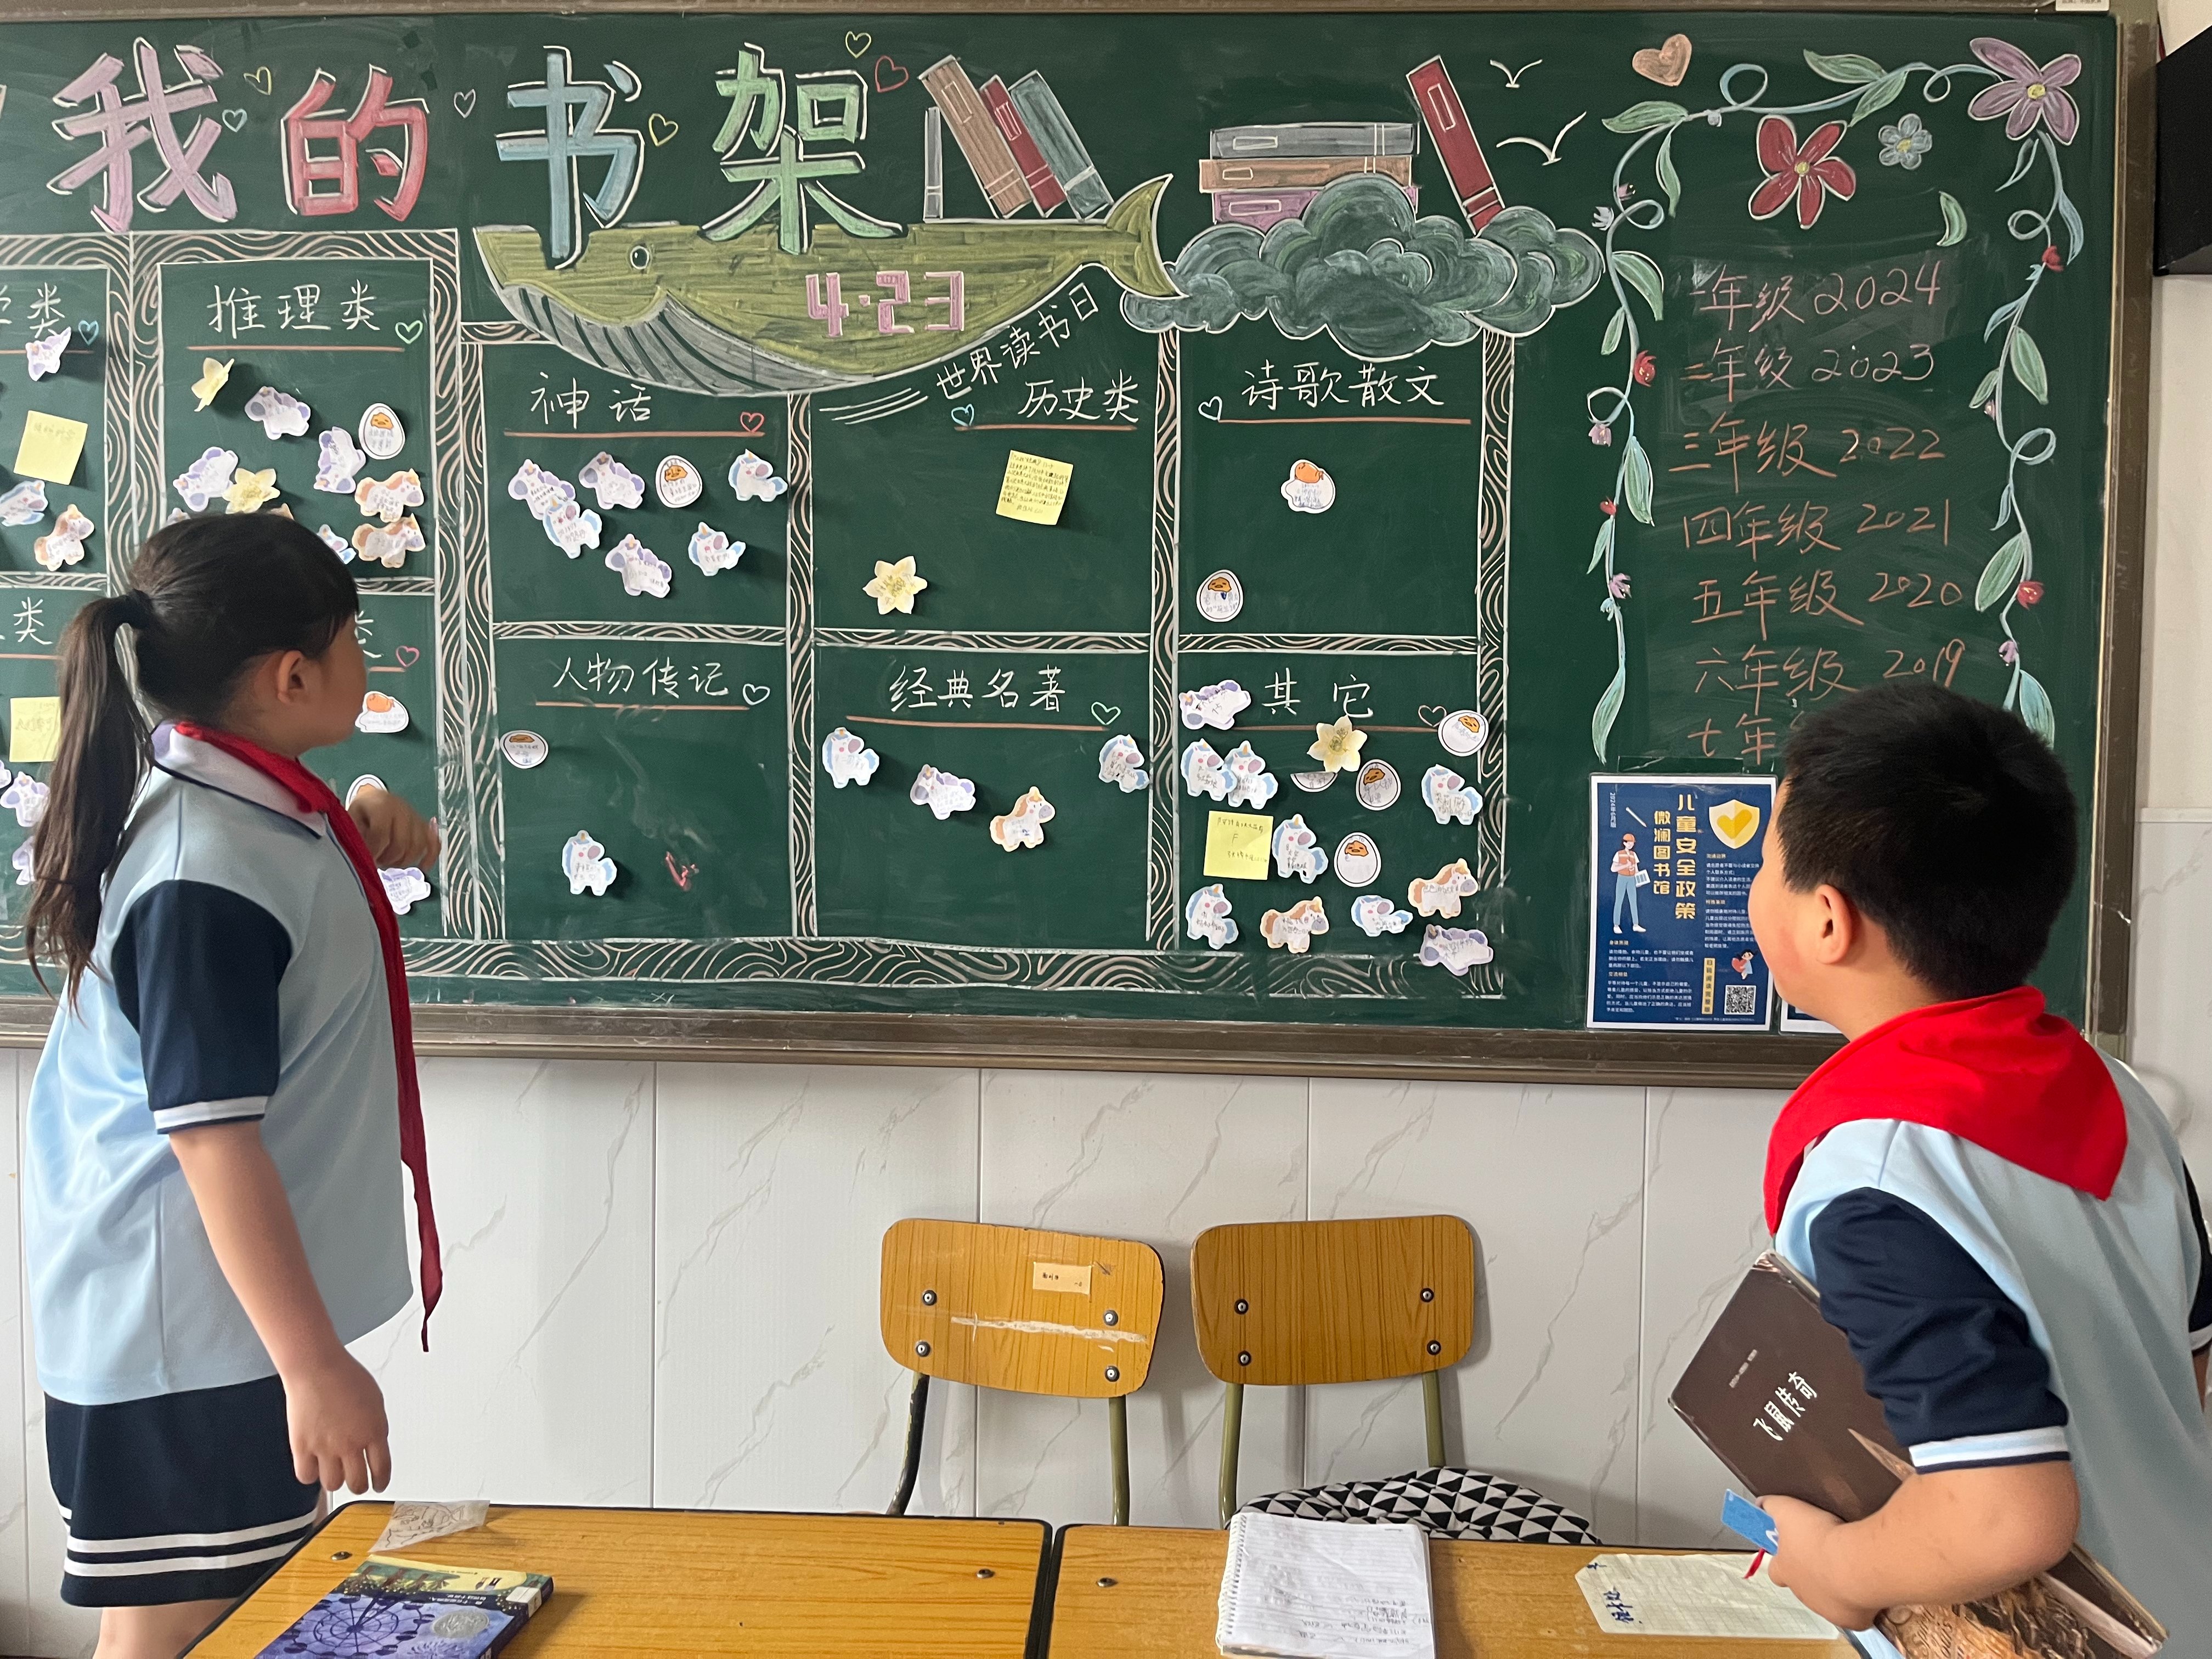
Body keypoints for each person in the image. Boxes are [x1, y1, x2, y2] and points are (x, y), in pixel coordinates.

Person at [21, 517, 444, 1659]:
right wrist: (313, 1364)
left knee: (211, 1621)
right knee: (175, 1630)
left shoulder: (243, 805)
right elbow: (212, 1139)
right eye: (355, 636)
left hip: (208, 1323)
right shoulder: (202, 869)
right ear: (292, 676)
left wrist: (356, 823)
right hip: (187, 1338)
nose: (368, 658)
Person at [1744, 681, 2212, 1645]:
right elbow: (2188, 1367)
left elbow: (2005, 1516)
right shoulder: (2116, 1092)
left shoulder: (1879, 1171)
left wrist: (1834, 1567)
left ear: (1828, 920)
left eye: (1765, 859)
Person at [1611, 831, 1646, 934]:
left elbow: (1636, 869)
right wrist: (1625, 866)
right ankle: (1616, 925)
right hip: (1622, 878)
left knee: (1633, 901)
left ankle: (1636, 925)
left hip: (1632, 879)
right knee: (1619, 901)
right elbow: (1613, 869)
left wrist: (1639, 880)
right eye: (1629, 843)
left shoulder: (1634, 855)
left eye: (1632, 843)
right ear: (1624, 843)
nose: (1631, 845)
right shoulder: (1619, 854)